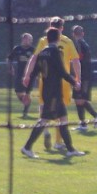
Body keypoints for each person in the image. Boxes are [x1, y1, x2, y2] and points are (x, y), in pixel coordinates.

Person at [20, 28, 85, 159]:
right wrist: (74, 82)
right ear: (58, 37)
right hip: (54, 92)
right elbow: (61, 71)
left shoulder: (43, 52)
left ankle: (71, 149)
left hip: (47, 91)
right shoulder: (55, 51)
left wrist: (27, 92)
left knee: (63, 119)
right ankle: (27, 147)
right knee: (44, 119)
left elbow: (34, 73)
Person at [30, 18, 80, 151]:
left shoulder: (43, 41)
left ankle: (46, 132)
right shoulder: (67, 41)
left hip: (45, 81)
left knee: (44, 107)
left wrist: (27, 76)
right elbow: (76, 61)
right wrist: (77, 79)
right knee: (61, 115)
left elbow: (34, 59)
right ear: (62, 28)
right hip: (62, 81)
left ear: (50, 26)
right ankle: (59, 142)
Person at [71, 26, 97, 132]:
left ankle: (96, 115)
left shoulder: (78, 45)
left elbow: (78, 60)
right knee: (78, 100)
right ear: (83, 33)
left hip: (82, 75)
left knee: (80, 99)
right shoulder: (84, 44)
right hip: (86, 74)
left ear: (73, 34)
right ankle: (83, 124)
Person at [7, 33, 35, 117]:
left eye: (29, 39)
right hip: (19, 75)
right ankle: (27, 103)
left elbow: (38, 62)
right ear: (22, 40)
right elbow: (9, 58)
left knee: (27, 93)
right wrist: (10, 67)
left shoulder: (33, 50)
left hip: (30, 75)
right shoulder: (17, 49)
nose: (28, 41)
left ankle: (25, 112)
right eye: (26, 39)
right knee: (18, 92)